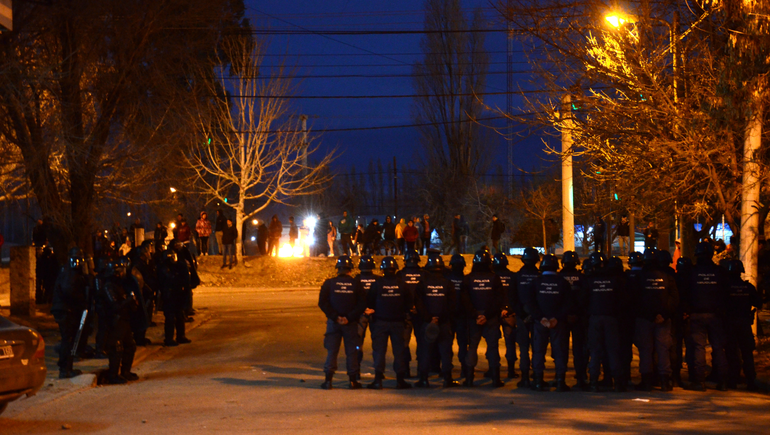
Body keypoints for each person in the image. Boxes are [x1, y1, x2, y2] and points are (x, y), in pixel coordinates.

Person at [681, 242, 729, 391]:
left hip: (697, 315)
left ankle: (699, 381)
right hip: (716, 315)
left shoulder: (691, 272)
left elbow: (685, 293)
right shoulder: (720, 271)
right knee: (718, 348)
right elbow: (726, 293)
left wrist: (687, 310)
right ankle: (723, 382)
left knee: (699, 348)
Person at [632, 249, 679, 392]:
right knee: (663, 350)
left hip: (644, 319)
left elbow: (635, 299)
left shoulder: (639, 277)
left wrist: (649, 315)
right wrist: (663, 315)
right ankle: (665, 381)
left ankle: (646, 381)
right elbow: (674, 298)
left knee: (646, 350)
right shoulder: (667, 277)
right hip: (663, 320)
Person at [318, 256, 367, 390]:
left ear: (337, 268)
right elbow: (362, 304)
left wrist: (335, 317)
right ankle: (353, 381)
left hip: (334, 323)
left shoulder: (329, 283)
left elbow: (322, 303)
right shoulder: (356, 284)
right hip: (351, 324)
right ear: (350, 269)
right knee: (351, 352)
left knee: (332, 351)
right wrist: (349, 318)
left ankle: (328, 381)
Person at [527, 254, 573, 392]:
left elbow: (530, 303)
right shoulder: (563, 282)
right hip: (558, 323)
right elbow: (568, 303)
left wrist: (541, 318)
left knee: (538, 351)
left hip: (540, 323)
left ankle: (538, 381)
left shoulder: (535, 282)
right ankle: (560, 381)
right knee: (560, 351)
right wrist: (556, 318)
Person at [582, 252, 626, 392]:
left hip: (595, 318)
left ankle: (593, 382)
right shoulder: (615, 280)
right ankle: (617, 382)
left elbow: (583, 301)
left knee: (595, 351)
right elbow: (622, 300)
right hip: (611, 318)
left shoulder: (589, 280)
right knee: (613, 351)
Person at [366, 256, 412, 390]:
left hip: (380, 322)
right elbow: (409, 304)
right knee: (399, 352)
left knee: (379, 351)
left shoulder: (377, 284)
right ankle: (400, 380)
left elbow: (370, 302)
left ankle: (378, 380)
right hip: (398, 323)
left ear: (383, 269)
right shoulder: (403, 284)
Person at [461, 250, 506, 387]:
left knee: (472, 346)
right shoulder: (494, 278)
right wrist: (486, 315)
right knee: (492, 347)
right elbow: (499, 300)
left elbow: (465, 300)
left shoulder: (468, 278)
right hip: (490, 318)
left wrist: (475, 315)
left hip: (474, 318)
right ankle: (495, 379)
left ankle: (469, 379)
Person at [414, 256, 458, 388]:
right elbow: (452, 305)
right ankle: (447, 379)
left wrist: (429, 318)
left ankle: (424, 379)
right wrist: (440, 318)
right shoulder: (448, 283)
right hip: (444, 323)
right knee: (445, 352)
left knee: (425, 351)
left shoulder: (422, 284)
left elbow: (419, 304)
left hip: (427, 323)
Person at [723, 259, 761, 391]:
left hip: (730, 324)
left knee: (731, 352)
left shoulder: (725, 287)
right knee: (747, 353)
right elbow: (758, 303)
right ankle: (750, 381)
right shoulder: (748, 287)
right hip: (744, 323)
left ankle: (733, 380)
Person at [50, 248, 88, 379]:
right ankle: (65, 369)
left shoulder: (70, 271)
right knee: (68, 339)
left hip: (65, 308)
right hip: (65, 309)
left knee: (69, 339)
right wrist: (80, 300)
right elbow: (69, 291)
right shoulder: (69, 271)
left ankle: (66, 366)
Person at [101, 259, 139, 384]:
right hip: (115, 321)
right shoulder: (108, 286)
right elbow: (115, 306)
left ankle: (125, 372)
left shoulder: (120, 285)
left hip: (124, 319)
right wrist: (128, 300)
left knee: (130, 346)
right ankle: (113, 375)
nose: (123, 273)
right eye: (121, 271)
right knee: (116, 348)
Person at [560, 251, 588, 390]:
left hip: (562, 318)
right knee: (579, 350)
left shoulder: (558, 277)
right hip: (579, 317)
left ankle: (560, 379)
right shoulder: (582, 278)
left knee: (561, 349)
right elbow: (585, 297)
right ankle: (581, 378)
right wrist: (576, 313)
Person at [514, 247, 540, 388]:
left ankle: (525, 377)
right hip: (536, 317)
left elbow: (513, 298)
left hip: (522, 316)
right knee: (537, 347)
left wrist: (522, 314)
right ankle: (537, 376)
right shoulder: (540, 277)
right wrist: (534, 314)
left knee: (524, 348)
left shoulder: (517, 276)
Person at [158, 248, 191, 346]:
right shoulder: (163, 268)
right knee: (170, 318)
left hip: (178, 294)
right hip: (169, 295)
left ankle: (181, 336)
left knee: (180, 316)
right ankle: (169, 338)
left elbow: (184, 279)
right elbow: (163, 281)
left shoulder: (180, 266)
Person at [493, 253, 518, 379]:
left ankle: (493, 369)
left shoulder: (491, 277)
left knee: (493, 343)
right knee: (510, 342)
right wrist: (508, 309)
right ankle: (511, 370)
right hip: (510, 314)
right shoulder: (513, 276)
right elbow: (516, 296)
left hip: (494, 314)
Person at [354, 255, 378, 374]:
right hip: (376, 314)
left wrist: (362, 309)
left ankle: (356, 370)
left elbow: (352, 298)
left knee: (358, 343)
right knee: (378, 343)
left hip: (360, 314)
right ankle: (379, 371)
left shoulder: (356, 280)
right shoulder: (378, 279)